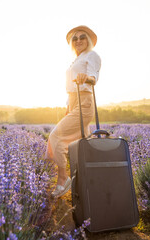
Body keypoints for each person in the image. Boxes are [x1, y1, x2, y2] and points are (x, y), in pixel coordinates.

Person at [46, 25, 101, 198]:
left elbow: (94, 77)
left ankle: (63, 179)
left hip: (84, 102)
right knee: (81, 146)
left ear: (89, 40)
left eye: (82, 37)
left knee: (56, 137)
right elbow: (69, 86)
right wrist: (68, 106)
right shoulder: (76, 60)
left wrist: (87, 78)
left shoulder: (92, 55)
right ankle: (89, 186)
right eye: (75, 38)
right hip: (73, 103)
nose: (78, 41)